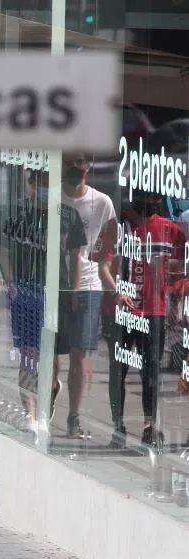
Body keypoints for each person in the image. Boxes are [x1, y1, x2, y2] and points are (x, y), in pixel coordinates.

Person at [1, 169, 87, 435]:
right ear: (29, 183)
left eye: (45, 181)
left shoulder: (68, 216)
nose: (39, 185)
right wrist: (10, 284)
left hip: (56, 295)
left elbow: (75, 258)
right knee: (29, 355)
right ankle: (30, 413)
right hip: (26, 292)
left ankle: (50, 389)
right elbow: (5, 249)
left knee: (50, 356)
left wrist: (74, 292)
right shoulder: (17, 213)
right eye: (35, 180)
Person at [98, 189, 185, 448]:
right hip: (123, 312)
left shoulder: (171, 231)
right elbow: (103, 265)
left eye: (157, 198)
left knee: (151, 372)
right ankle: (118, 426)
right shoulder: (119, 226)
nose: (152, 202)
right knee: (118, 371)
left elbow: (181, 271)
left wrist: (177, 301)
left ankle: (150, 426)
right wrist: (116, 293)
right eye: (147, 196)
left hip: (155, 312)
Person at [58, 154, 116, 438]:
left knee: (79, 353)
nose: (75, 174)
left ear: (87, 170)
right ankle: (52, 387)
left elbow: (111, 242)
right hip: (56, 282)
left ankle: (74, 416)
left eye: (79, 170)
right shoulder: (52, 197)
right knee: (56, 354)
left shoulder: (102, 203)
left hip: (89, 284)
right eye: (70, 167)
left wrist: (108, 278)